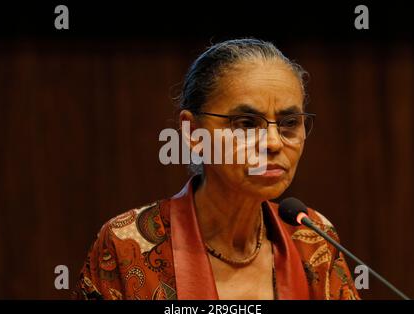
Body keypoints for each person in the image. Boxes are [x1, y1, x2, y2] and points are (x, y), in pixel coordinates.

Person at [74, 38, 360, 300]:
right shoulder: (127, 244)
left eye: (289, 124)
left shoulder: (312, 238)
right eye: (247, 124)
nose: (273, 143)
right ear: (193, 132)